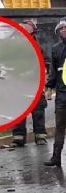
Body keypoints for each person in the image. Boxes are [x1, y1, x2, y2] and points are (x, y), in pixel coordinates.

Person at [11, 20, 48, 147]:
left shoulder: (38, 44)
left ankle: (40, 136)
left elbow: (45, 62)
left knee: (38, 111)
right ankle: (18, 138)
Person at [44, 18, 66, 167]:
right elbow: (53, 70)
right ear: (58, 31)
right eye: (62, 28)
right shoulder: (56, 48)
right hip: (62, 94)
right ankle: (56, 158)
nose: (64, 30)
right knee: (60, 127)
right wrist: (49, 88)